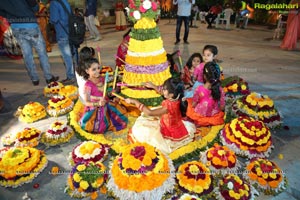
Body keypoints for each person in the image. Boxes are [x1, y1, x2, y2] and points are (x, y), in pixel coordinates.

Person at [125, 77, 196, 154]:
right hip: (175, 124)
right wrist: (153, 86)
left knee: (141, 128)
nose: (163, 90)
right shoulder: (178, 97)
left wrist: (134, 101)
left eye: (165, 89)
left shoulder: (168, 106)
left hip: (169, 130)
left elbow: (149, 112)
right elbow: (165, 94)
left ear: (171, 94)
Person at [0, 0, 59, 86]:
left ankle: (34, 79)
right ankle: (48, 77)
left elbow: (1, 12)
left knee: (27, 54)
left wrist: (10, 15)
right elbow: (35, 7)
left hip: (15, 26)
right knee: (41, 52)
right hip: (30, 24)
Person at [78, 58, 128, 134]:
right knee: (97, 127)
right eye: (94, 69)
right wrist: (98, 104)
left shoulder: (102, 78)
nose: (97, 71)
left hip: (107, 104)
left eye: (98, 68)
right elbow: (87, 102)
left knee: (121, 119)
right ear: (87, 71)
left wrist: (110, 93)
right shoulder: (88, 85)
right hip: (95, 109)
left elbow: (105, 92)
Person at [186, 62, 225, 126]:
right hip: (213, 114)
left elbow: (193, 104)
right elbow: (222, 108)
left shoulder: (198, 89)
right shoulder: (220, 89)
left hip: (200, 114)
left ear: (204, 76)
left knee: (188, 102)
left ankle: (201, 122)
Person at [49, 0, 76, 84]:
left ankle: (71, 76)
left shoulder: (54, 3)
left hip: (62, 33)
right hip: (70, 32)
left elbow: (54, 19)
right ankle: (79, 73)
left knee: (67, 56)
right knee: (74, 53)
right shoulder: (65, 1)